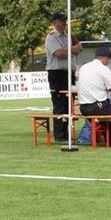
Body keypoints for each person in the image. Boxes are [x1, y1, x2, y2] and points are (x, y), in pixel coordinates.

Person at [43, 11, 81, 141]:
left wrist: (69, 51)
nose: (64, 23)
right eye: (61, 20)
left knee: (69, 103)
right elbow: (59, 54)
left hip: (69, 73)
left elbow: (80, 47)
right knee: (59, 103)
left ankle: (67, 132)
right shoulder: (51, 37)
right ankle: (59, 134)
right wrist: (72, 50)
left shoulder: (69, 35)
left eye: (65, 20)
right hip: (56, 73)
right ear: (55, 22)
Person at [74, 45, 111, 143]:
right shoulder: (103, 69)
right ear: (105, 58)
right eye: (108, 59)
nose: (108, 62)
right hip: (96, 106)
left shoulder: (84, 67)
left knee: (107, 110)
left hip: (83, 107)